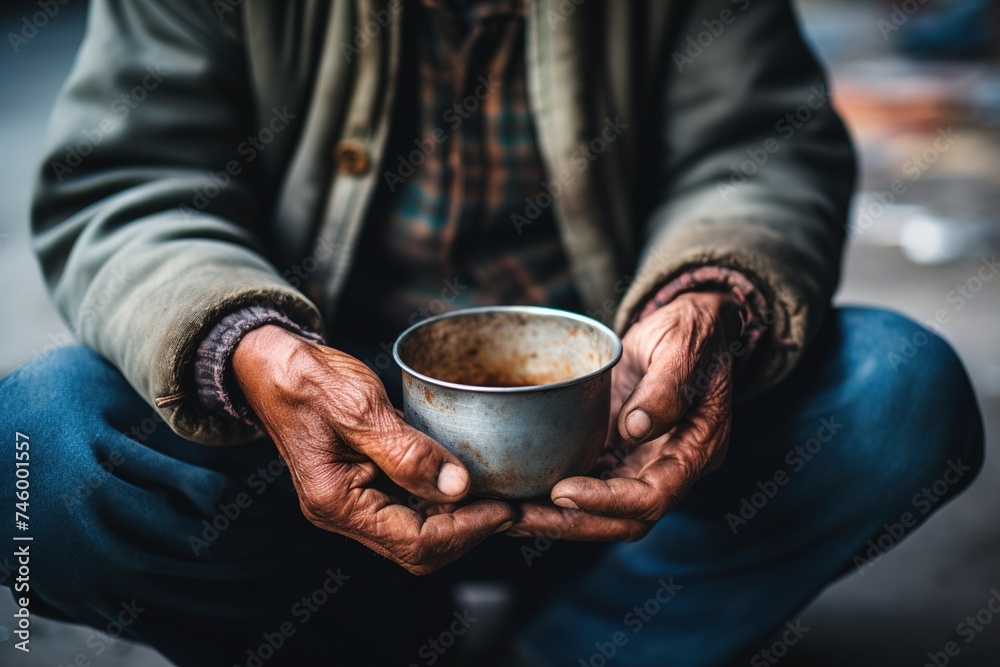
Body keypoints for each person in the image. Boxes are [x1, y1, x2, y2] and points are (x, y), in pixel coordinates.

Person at [0, 0, 984, 665]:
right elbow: (129, 184)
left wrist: (711, 299)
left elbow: (757, 151)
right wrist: (250, 347)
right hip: (304, 470)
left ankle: (591, 645)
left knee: (898, 391)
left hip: (626, 452)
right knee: (38, 442)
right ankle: (349, 643)